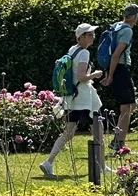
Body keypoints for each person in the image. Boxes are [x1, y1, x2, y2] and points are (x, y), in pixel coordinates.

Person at [40, 24, 103, 179]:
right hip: (84, 98)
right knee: (98, 128)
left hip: (71, 97)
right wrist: (95, 74)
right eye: (89, 34)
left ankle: (48, 162)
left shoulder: (72, 50)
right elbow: (81, 77)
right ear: (81, 37)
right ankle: (101, 165)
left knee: (68, 132)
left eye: (93, 34)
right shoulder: (84, 53)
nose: (93, 37)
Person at [102, 3, 138, 153]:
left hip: (116, 68)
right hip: (120, 69)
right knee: (126, 107)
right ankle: (119, 143)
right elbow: (116, 55)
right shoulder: (127, 31)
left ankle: (118, 139)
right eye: (137, 15)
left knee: (131, 105)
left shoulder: (116, 26)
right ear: (133, 17)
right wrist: (111, 75)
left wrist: (108, 72)